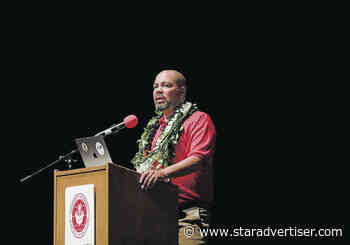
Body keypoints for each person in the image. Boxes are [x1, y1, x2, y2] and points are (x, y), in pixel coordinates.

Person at [131, 69, 216, 244]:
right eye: (155, 86)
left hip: (187, 216)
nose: (158, 90)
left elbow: (198, 159)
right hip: (154, 214)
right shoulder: (155, 129)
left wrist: (162, 173)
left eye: (166, 85)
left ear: (182, 91)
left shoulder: (199, 119)